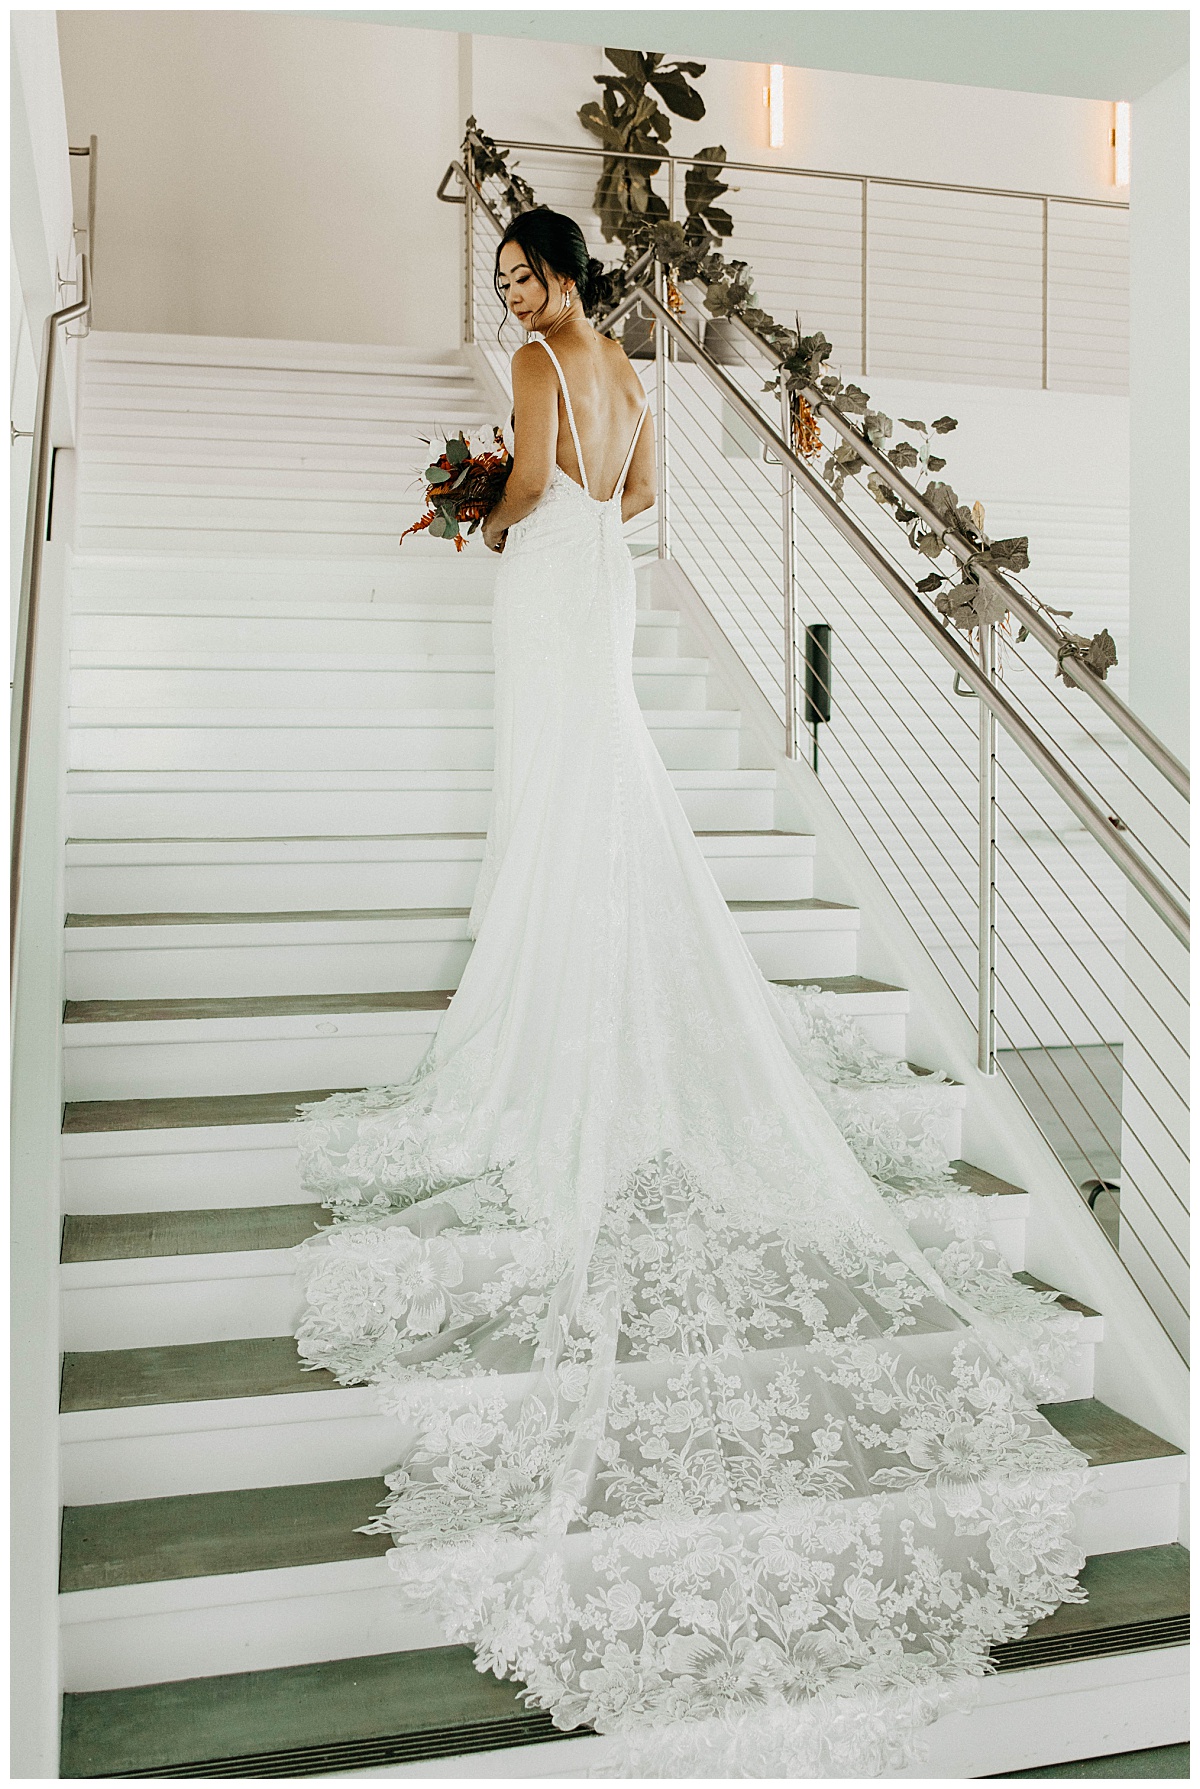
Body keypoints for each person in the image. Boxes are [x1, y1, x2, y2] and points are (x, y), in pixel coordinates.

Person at [292, 208, 1090, 1778]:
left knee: (558, 778)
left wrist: (489, 512)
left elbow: (528, 483)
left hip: (549, 577)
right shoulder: (630, 371)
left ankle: (548, 998)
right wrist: (561, 506)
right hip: (613, 580)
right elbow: (641, 489)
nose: (510, 297)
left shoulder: (535, 364)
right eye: (505, 283)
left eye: (521, 275)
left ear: (560, 274)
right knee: (605, 773)